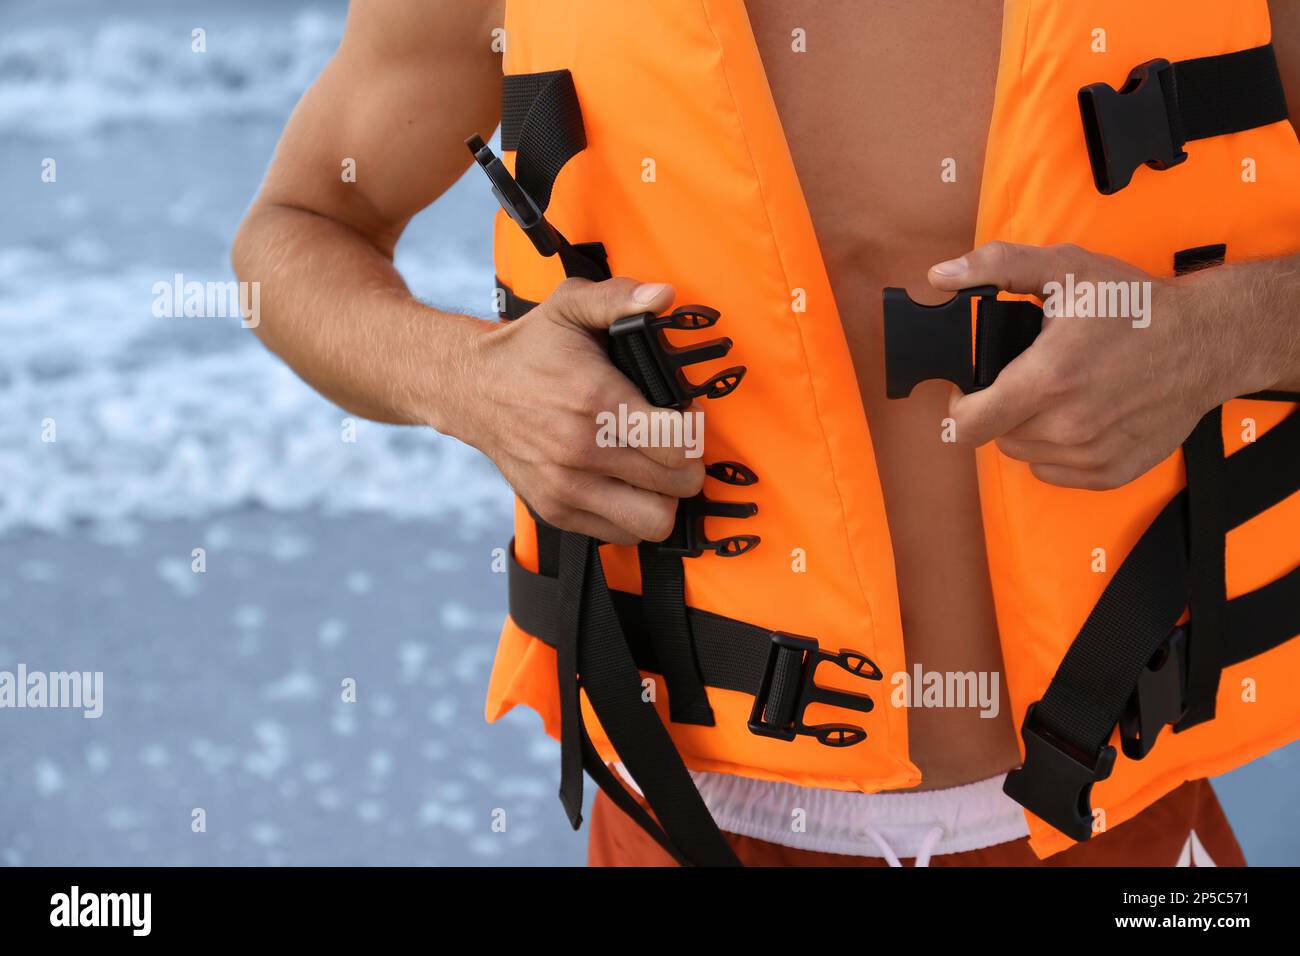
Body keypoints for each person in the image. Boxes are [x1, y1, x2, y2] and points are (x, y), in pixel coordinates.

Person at [232, 0, 1300, 866]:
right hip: (690, 818)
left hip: (1113, 824)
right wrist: (469, 382)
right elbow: (292, 235)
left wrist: (1216, 336)